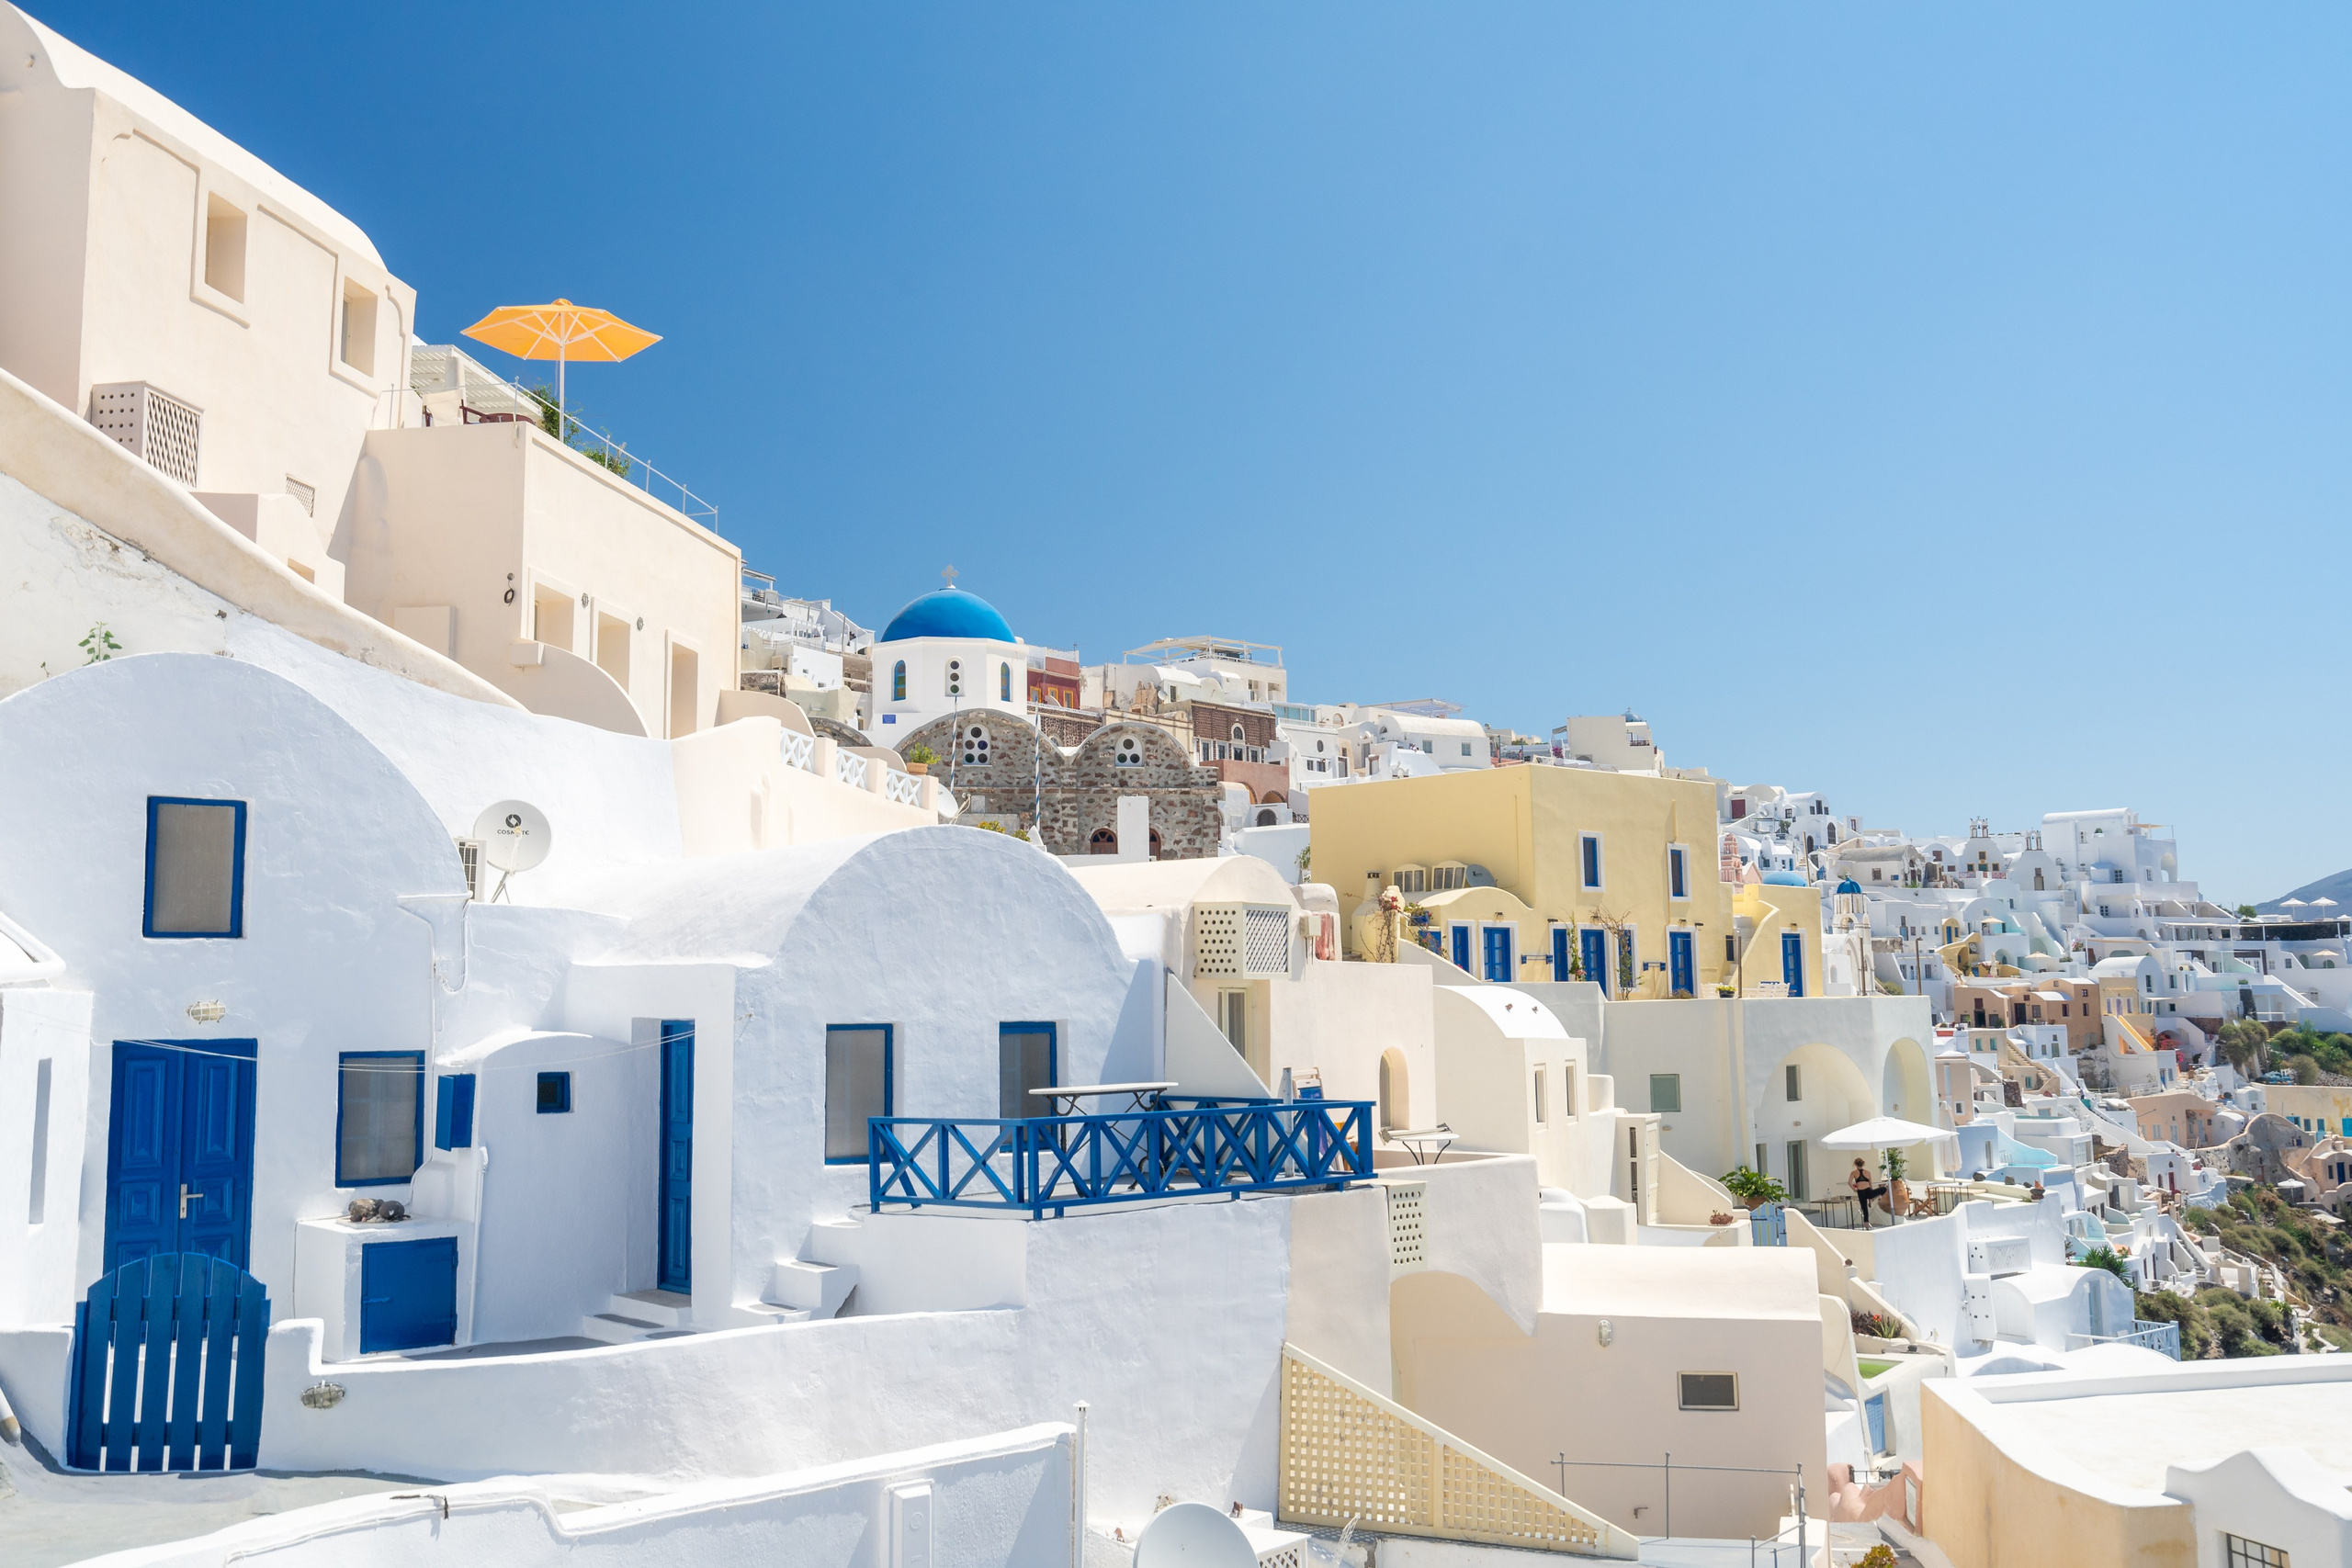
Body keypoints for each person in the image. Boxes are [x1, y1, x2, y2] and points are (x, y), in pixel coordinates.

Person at [1849, 1156, 1888, 1228]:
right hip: (1868, 1191)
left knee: (1865, 1210)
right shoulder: (1868, 1172)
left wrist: (1854, 1189)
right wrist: (1870, 1200)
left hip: (1860, 1192)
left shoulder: (1854, 1173)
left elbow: (1849, 1182)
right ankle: (1877, 1197)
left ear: (1856, 1165)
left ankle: (1866, 1226)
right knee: (1884, 1189)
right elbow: (1870, 1185)